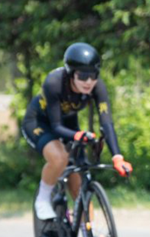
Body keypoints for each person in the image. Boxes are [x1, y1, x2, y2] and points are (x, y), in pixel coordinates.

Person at [22, 43, 132, 220]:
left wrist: (117, 157)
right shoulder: (54, 82)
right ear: (71, 73)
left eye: (93, 75)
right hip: (39, 122)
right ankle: (42, 199)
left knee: (78, 171)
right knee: (59, 157)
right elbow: (56, 126)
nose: (88, 82)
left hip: (68, 122)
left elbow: (106, 122)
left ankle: (86, 227)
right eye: (82, 76)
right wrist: (77, 135)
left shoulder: (97, 86)